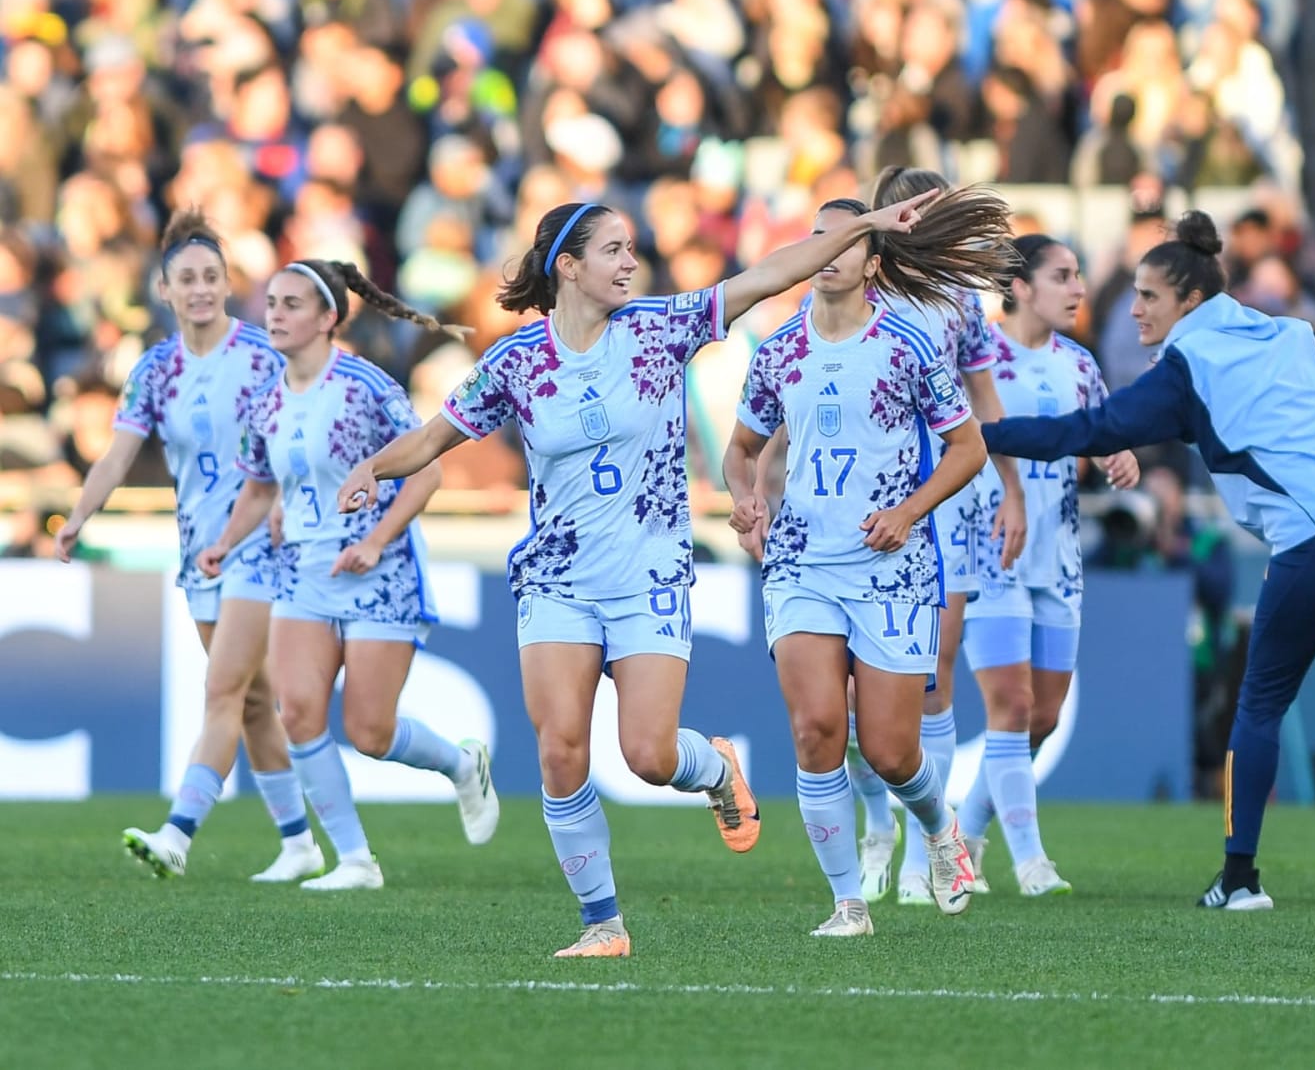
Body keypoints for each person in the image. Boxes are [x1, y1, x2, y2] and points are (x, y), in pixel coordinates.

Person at [335, 190, 938, 955]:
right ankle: (603, 923)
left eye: (630, 248)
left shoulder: (661, 328)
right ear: (570, 267)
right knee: (559, 749)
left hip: (649, 574)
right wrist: (372, 468)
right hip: (557, 577)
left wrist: (864, 227)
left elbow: (767, 274)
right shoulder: (516, 361)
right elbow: (430, 440)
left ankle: (713, 767)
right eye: (614, 249)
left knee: (650, 756)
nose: (630, 261)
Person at [980, 211, 1315, 910]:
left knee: (1258, 704)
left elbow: (1090, 431)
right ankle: (1237, 875)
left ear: (1189, 301)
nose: (1132, 308)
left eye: (1149, 296)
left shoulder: (1185, 370)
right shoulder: (1290, 332)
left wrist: (982, 432)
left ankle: (1240, 878)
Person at [723, 185, 1017, 937]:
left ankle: (940, 829)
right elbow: (743, 450)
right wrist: (746, 497)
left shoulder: (906, 345)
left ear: (874, 262)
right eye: (819, 238)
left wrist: (908, 511)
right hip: (801, 562)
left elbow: (969, 447)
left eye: (846, 239)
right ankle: (848, 902)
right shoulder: (779, 348)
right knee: (818, 727)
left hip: (890, 564)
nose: (827, 252)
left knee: (890, 750)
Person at [198, 258, 499, 892]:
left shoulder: (366, 386)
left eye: (290, 305)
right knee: (299, 712)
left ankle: (460, 763)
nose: (273, 315)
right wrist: (224, 543)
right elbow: (259, 487)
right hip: (301, 572)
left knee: (370, 730)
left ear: (329, 318)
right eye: (271, 303)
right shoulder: (267, 400)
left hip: (377, 573)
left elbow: (428, 470)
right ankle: (356, 861)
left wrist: (376, 539)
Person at [55, 208, 322, 884]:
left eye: (211, 275)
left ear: (229, 284)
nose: (201, 288)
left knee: (223, 687)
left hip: (262, 543)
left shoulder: (264, 356)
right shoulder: (154, 371)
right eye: (187, 279)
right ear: (164, 291)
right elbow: (118, 455)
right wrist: (79, 514)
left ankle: (178, 831)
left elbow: (299, 436)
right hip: (199, 548)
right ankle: (300, 842)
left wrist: (290, 501)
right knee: (254, 700)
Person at [831, 166, 1027, 909]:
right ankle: (876, 822)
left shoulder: (959, 304)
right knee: (851, 697)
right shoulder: (856, 286)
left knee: (931, 678)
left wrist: (1010, 487)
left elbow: (984, 404)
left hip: (945, 499)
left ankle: (922, 857)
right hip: (857, 500)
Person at [953, 233, 1139, 898]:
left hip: (1057, 555)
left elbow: (1103, 435)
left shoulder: (1080, 366)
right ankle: (1031, 861)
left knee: (1043, 716)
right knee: (1010, 704)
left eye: (1079, 273)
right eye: (1062, 275)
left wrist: (1121, 457)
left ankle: (964, 836)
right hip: (991, 549)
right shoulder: (977, 361)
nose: (1079, 286)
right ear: (1021, 286)